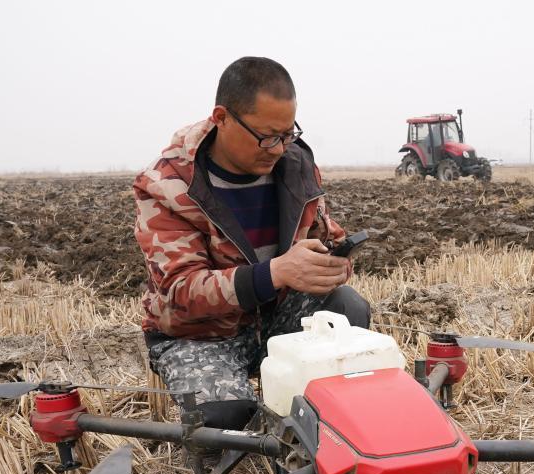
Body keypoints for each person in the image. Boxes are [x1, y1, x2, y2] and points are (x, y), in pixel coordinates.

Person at [133, 57, 370, 430]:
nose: (277, 149)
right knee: (226, 422)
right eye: (267, 136)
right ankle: (236, 411)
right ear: (222, 118)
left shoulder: (296, 166)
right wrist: (275, 272)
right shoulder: (168, 185)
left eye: (287, 134)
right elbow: (182, 290)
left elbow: (324, 236)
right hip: (199, 336)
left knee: (346, 307)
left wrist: (332, 264)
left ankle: (313, 420)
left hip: (274, 318)